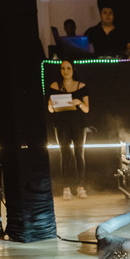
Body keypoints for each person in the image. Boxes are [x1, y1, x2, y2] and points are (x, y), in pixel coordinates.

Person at [46, 59, 89, 199]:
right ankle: (66, 188)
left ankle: (81, 186)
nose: (65, 71)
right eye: (63, 68)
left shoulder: (81, 86)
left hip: (78, 123)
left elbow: (87, 109)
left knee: (79, 153)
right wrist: (51, 104)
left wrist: (79, 103)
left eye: (68, 68)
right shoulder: (54, 86)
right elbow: (50, 110)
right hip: (62, 123)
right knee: (65, 154)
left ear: (73, 70)